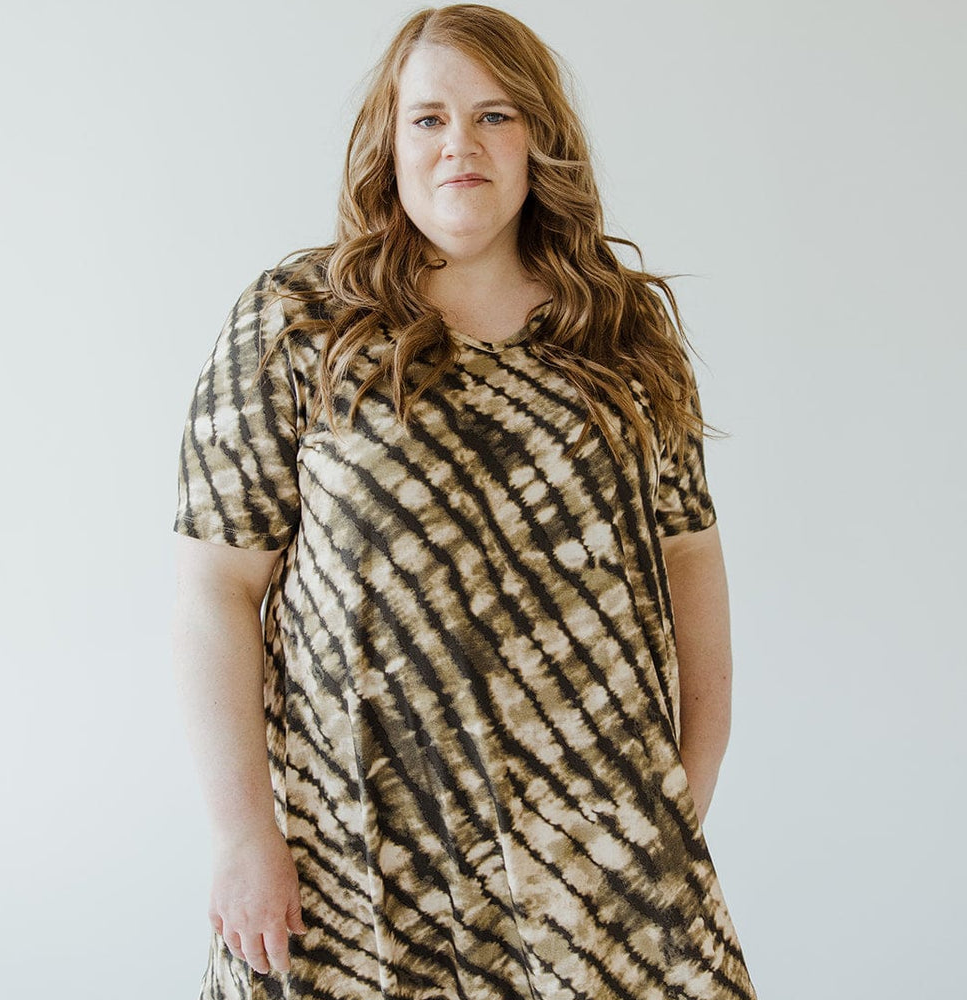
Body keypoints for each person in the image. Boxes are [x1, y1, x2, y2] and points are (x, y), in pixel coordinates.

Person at [172, 5, 758, 999]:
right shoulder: (299, 322)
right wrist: (241, 832)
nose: (461, 146)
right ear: (387, 144)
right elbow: (215, 588)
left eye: (494, 116)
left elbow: (689, 556)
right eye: (429, 118)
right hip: (354, 865)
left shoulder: (619, 331)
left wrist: (685, 788)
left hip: (594, 870)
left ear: (540, 142)